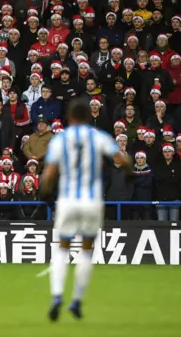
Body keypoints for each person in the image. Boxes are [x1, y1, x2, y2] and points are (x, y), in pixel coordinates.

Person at [41, 98, 131, 321]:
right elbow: (121, 159)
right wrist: (128, 172)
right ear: (89, 117)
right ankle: (77, 300)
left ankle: (57, 296)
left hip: (68, 200)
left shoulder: (61, 139)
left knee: (62, 248)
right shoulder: (98, 137)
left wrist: (44, 190)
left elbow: (49, 173)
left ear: (70, 118)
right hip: (92, 202)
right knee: (87, 249)